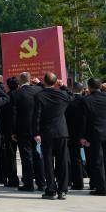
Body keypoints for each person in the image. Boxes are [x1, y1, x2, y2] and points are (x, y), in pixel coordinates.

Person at [33, 72, 72, 200]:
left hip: (46, 132)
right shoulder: (63, 94)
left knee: (48, 161)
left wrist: (36, 132)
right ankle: (63, 190)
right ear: (56, 82)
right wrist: (63, 87)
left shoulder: (39, 95)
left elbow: (37, 116)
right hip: (61, 131)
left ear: (44, 81)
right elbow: (72, 96)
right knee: (62, 161)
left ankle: (51, 189)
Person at [80, 78, 106, 196]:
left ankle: (101, 188)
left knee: (97, 161)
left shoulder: (86, 100)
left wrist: (83, 136)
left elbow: (84, 120)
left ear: (89, 87)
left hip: (94, 134)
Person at [11, 72, 45, 192]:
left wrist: (13, 131)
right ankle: (41, 183)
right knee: (39, 156)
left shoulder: (16, 93)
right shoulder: (39, 90)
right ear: (30, 80)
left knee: (26, 157)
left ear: (20, 81)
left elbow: (14, 114)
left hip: (23, 129)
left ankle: (28, 183)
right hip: (38, 129)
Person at [65, 82, 87, 190]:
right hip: (84, 133)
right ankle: (81, 180)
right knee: (81, 157)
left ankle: (72, 181)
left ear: (73, 89)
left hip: (71, 133)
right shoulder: (86, 101)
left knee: (72, 158)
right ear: (83, 90)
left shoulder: (69, 101)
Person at [0, 78, 19, 188]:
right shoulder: (22, 94)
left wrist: (12, 131)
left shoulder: (8, 97)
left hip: (10, 131)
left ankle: (12, 179)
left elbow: (10, 116)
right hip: (24, 130)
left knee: (11, 156)